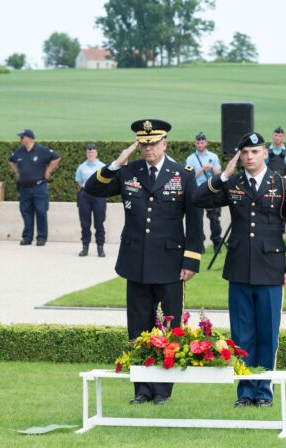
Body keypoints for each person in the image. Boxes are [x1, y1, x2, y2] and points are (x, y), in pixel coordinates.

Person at [85, 119, 203, 406]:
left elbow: (195, 220)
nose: (149, 149)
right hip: (135, 261)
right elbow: (93, 189)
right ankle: (142, 388)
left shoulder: (182, 174)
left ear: (165, 144)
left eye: (154, 143)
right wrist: (116, 162)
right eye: (144, 144)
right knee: (138, 326)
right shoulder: (129, 171)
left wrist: (191, 259)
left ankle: (163, 389)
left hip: (171, 262)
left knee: (170, 326)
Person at [192, 132, 286, 408]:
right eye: (244, 152)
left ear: (265, 153)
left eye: (254, 152)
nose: (249, 157)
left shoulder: (281, 184)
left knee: (268, 333)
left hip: (270, 270)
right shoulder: (232, 183)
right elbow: (199, 199)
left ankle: (264, 391)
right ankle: (244, 391)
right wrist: (221, 176)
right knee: (242, 334)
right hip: (239, 269)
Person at [9, 129, 60, 246]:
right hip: (24, 188)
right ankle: (27, 237)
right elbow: (11, 161)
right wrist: (17, 172)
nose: (20, 139)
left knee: (41, 212)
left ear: (29, 138)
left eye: (22, 137)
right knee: (26, 212)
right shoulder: (19, 152)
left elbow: (56, 158)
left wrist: (48, 170)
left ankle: (41, 237)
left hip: (39, 187)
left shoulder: (41, 150)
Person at [185, 132, 223, 252]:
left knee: (215, 218)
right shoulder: (190, 159)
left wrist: (211, 168)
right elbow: (189, 176)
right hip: (197, 191)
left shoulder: (213, 156)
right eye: (198, 142)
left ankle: (217, 242)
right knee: (197, 219)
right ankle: (200, 244)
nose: (200, 144)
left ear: (206, 143)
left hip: (211, 191)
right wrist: (202, 169)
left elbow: (220, 175)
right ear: (195, 144)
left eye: (202, 142)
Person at [74, 143, 107, 257]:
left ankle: (100, 248)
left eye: (92, 152)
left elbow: (107, 180)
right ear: (86, 153)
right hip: (85, 196)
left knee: (99, 223)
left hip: (99, 196)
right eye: (89, 152)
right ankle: (85, 247)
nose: (90, 154)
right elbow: (79, 181)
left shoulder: (102, 166)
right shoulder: (81, 167)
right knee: (85, 223)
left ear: (96, 153)